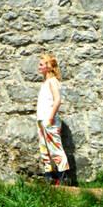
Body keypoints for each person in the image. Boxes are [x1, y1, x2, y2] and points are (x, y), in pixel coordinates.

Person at [36, 54, 69, 185]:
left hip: (49, 120)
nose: (39, 67)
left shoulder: (52, 81)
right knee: (44, 149)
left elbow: (57, 100)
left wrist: (50, 118)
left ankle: (63, 177)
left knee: (55, 148)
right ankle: (49, 175)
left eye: (42, 64)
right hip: (42, 119)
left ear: (48, 67)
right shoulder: (45, 82)